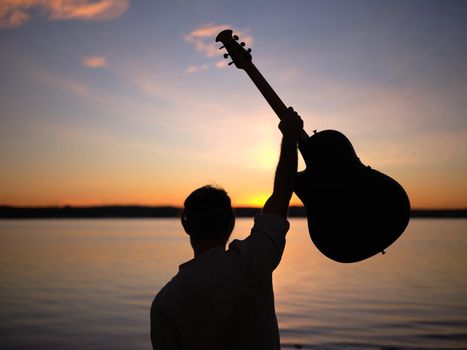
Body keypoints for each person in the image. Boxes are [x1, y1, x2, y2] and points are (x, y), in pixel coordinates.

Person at [151, 107, 303, 350]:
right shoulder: (255, 260)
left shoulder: (166, 303)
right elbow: (281, 195)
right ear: (230, 223)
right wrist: (290, 137)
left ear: (186, 225)